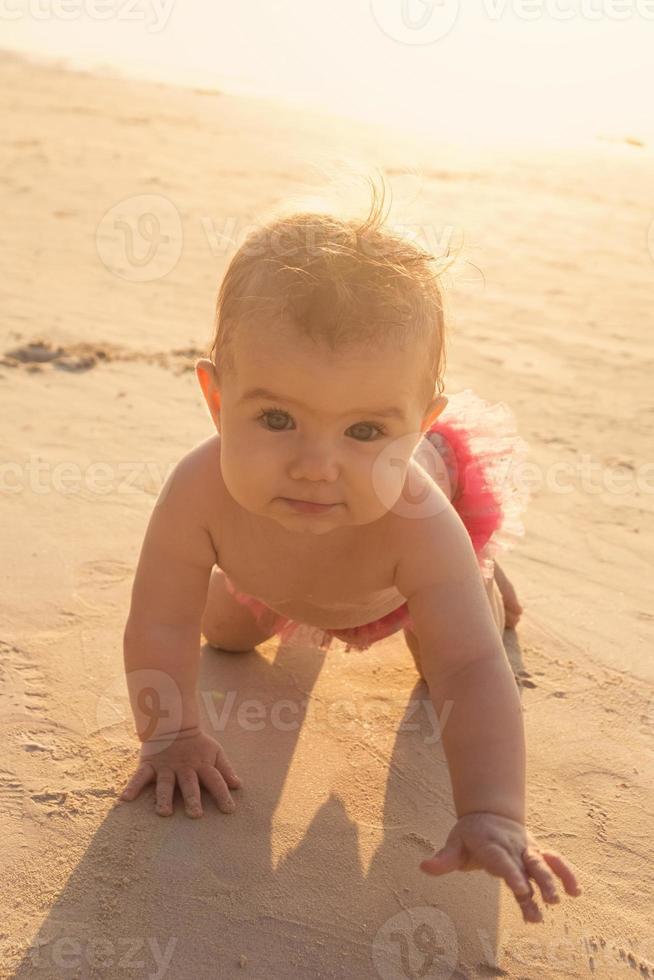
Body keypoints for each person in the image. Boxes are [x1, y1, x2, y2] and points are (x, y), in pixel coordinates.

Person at [119, 175, 581, 924]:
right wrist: (172, 733)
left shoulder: (419, 520)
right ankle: (295, 594)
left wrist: (493, 810)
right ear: (215, 397)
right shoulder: (199, 490)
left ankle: (481, 579)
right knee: (224, 633)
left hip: (391, 586)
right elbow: (160, 620)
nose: (315, 465)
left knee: (449, 654)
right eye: (276, 418)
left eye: (365, 432)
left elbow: (471, 669)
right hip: (269, 574)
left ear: (421, 424)